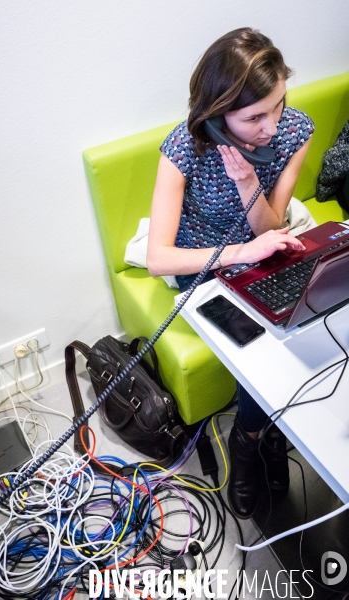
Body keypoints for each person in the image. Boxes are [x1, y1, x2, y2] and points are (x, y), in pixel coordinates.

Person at [147, 28, 315, 519]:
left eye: (278, 105)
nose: (272, 126)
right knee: (255, 347)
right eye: (254, 117)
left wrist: (247, 182)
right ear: (217, 114)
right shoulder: (182, 149)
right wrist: (239, 251)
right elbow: (159, 256)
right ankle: (250, 440)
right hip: (203, 262)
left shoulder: (294, 132)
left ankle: (259, 433)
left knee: (301, 322)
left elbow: (273, 224)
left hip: (262, 246)